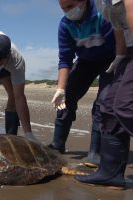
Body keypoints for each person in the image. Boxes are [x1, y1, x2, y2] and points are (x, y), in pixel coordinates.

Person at [48, 0, 116, 168]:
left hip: (113, 59)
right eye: (63, 8)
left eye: (70, 6)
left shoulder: (103, 13)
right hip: (86, 61)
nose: (66, 12)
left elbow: (120, 40)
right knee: (66, 98)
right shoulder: (65, 25)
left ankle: (96, 152)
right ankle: (57, 145)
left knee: (102, 103)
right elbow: (65, 59)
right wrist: (60, 88)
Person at [75, 0, 133, 189]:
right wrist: (120, 55)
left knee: (125, 107)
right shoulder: (100, 2)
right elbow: (118, 25)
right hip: (128, 51)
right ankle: (111, 174)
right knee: (107, 107)